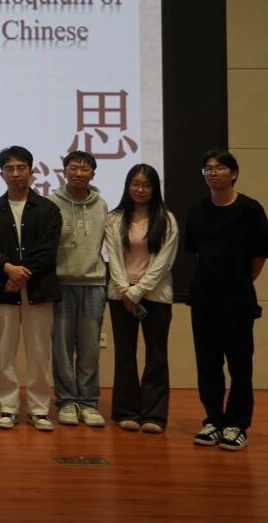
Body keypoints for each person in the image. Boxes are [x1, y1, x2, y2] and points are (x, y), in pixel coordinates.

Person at [186, 150, 268, 451]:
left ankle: (237, 424)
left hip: (237, 299)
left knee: (239, 364)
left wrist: (240, 282)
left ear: (233, 173)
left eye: (220, 168)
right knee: (208, 363)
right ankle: (214, 420)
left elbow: (260, 255)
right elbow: (195, 250)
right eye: (208, 168)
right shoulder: (197, 209)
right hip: (203, 298)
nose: (213, 172)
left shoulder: (251, 209)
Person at [0, 145, 62, 432]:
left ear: (31, 171)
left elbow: (48, 249)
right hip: (2, 289)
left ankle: (39, 409)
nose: (15, 173)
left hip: (38, 289)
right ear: (1, 174)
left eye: (21, 168)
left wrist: (20, 274)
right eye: (9, 168)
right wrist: (7, 268)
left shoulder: (48, 209)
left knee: (39, 352)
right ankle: (8, 407)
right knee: (3, 351)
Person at [104, 163, 178, 434]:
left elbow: (163, 262)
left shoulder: (166, 219)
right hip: (120, 295)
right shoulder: (114, 218)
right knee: (125, 354)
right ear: (128, 186)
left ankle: (154, 415)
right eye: (135, 184)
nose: (140, 189)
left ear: (154, 188)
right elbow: (113, 257)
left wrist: (137, 291)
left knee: (156, 355)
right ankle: (126, 411)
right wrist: (125, 289)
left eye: (146, 185)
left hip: (155, 296)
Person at [50, 150, 109, 428]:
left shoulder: (101, 205)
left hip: (94, 283)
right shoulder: (52, 204)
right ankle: (66, 401)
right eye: (73, 168)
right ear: (64, 171)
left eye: (85, 169)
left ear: (93, 174)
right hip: (61, 284)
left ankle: (89, 402)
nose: (78, 173)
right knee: (61, 348)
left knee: (89, 348)